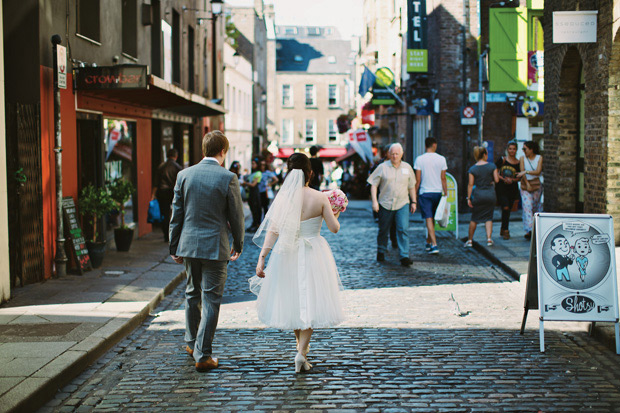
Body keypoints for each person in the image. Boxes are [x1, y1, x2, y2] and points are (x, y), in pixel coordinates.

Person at [250, 153, 344, 373]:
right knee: (310, 300)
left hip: (287, 253)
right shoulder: (320, 198)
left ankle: (301, 349)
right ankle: (301, 353)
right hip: (313, 252)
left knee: (293, 299)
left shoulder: (283, 199)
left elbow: (273, 231)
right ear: (310, 173)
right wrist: (336, 212)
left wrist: (262, 258)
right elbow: (334, 228)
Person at [169, 131, 245, 372]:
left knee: (192, 293)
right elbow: (237, 216)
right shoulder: (228, 177)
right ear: (223, 151)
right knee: (211, 299)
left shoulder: (184, 175)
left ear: (204, 149)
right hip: (215, 246)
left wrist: (174, 245)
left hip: (189, 245)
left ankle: (192, 344)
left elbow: (176, 214)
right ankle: (203, 354)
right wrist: (239, 243)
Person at [367, 143, 417, 266]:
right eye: (392, 154)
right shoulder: (382, 167)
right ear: (389, 154)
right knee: (383, 230)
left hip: (403, 203)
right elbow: (373, 184)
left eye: (397, 154)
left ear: (401, 154)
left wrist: (414, 202)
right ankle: (381, 250)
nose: (395, 156)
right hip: (385, 203)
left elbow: (411, 186)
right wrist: (374, 202)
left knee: (403, 229)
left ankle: (404, 256)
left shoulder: (407, 168)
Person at [414, 137, 448, 254]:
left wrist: (414, 195)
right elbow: (443, 178)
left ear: (425, 146)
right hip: (437, 192)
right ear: (434, 145)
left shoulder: (419, 159)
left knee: (429, 218)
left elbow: (417, 180)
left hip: (425, 192)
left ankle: (434, 244)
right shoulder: (442, 159)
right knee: (432, 218)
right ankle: (429, 242)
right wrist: (446, 192)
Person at [464, 146, 499, 248]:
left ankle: (470, 240)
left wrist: (469, 198)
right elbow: (496, 180)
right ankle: (489, 239)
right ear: (484, 155)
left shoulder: (472, 169)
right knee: (489, 217)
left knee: (474, 218)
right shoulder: (492, 166)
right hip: (490, 194)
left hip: (478, 195)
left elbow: (470, 185)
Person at [152, 148, 182, 242]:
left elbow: (156, 183)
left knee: (164, 214)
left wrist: (153, 194)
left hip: (162, 192)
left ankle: (166, 235)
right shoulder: (178, 167)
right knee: (175, 214)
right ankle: (174, 235)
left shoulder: (161, 166)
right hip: (174, 193)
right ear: (176, 156)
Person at [516, 141, 543, 240]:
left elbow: (538, 171)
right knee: (527, 206)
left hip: (536, 185)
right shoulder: (522, 158)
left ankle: (535, 228)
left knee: (535, 207)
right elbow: (522, 173)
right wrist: (527, 184)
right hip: (525, 185)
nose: (523, 151)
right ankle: (529, 230)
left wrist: (526, 171)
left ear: (531, 149)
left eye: (525, 149)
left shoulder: (539, 158)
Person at [495, 141, 521, 240]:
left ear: (516, 150)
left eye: (514, 149)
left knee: (508, 209)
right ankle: (506, 230)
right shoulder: (502, 160)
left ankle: (503, 227)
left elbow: (519, 177)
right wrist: (504, 179)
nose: (512, 151)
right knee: (505, 207)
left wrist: (512, 180)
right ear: (507, 149)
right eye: (510, 149)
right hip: (501, 188)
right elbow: (495, 172)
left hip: (512, 189)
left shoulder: (518, 163)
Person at [242, 158, 263, 232]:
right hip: (250, 193)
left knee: (256, 209)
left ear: (257, 165)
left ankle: (257, 224)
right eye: (252, 163)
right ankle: (254, 223)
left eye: (254, 163)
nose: (252, 165)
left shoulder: (258, 173)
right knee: (252, 209)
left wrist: (245, 183)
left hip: (255, 193)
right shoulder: (252, 173)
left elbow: (253, 184)